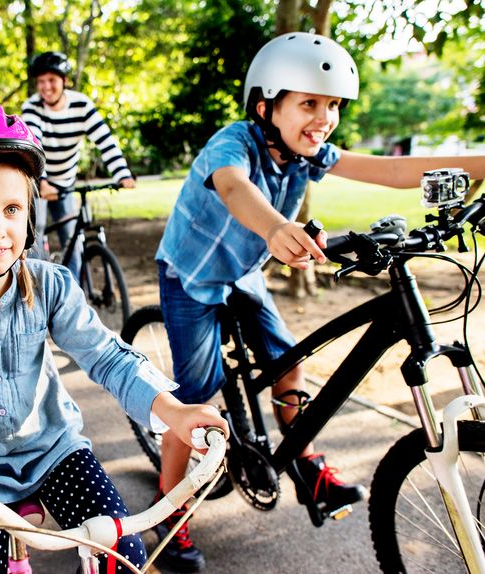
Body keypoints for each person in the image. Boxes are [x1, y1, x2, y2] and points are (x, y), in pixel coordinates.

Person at [153, 31, 485, 573]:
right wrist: (278, 228)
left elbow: (395, 170)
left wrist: (483, 163)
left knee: (290, 365)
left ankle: (304, 461)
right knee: (195, 399)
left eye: (332, 104)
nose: (325, 116)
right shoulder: (232, 143)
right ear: (266, 106)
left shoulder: (311, 154)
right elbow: (237, 190)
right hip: (191, 276)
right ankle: (170, 508)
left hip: (242, 274)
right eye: (309, 102)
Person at [0, 100, 229, 573]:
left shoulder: (51, 285)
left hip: (54, 451)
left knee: (123, 556)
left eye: (12, 208)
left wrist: (173, 411)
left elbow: (108, 358)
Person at [21, 51, 137, 279]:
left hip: (65, 183)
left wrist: (123, 174)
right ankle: (32, 292)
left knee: (73, 241)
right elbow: (34, 144)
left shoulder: (81, 105)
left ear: (64, 81)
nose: (45, 87)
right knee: (33, 239)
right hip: (37, 182)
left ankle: (72, 295)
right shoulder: (32, 106)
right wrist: (42, 181)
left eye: (52, 80)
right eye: (41, 82)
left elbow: (105, 140)